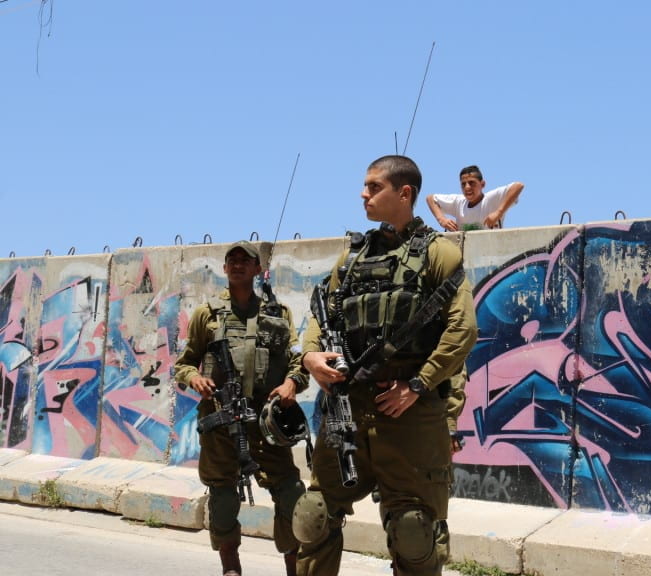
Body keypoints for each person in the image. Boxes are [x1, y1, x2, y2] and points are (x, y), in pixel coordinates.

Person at [293, 155, 477, 576]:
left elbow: (462, 330)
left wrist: (417, 384)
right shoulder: (352, 258)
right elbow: (321, 316)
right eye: (365, 186)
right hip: (347, 414)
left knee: (413, 532)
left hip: (409, 415)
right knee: (313, 515)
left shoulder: (438, 254)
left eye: (374, 186)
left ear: (404, 193)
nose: (363, 194)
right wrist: (311, 357)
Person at [174, 240, 309, 576]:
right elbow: (184, 364)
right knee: (222, 499)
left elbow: (298, 362)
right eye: (231, 260)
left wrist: (292, 383)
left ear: (257, 269)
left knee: (292, 494)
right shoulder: (206, 315)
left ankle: (294, 566)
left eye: (245, 261)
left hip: (266, 425)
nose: (237, 265)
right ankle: (231, 569)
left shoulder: (278, 314)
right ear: (224, 269)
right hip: (221, 425)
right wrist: (195, 379)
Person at [425, 165, 524, 231]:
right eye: (463, 184)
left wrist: (499, 212)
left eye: (471, 183)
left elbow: (518, 186)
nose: (467, 187)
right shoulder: (458, 202)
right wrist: (441, 219)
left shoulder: (491, 199)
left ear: (483, 184)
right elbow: (430, 198)